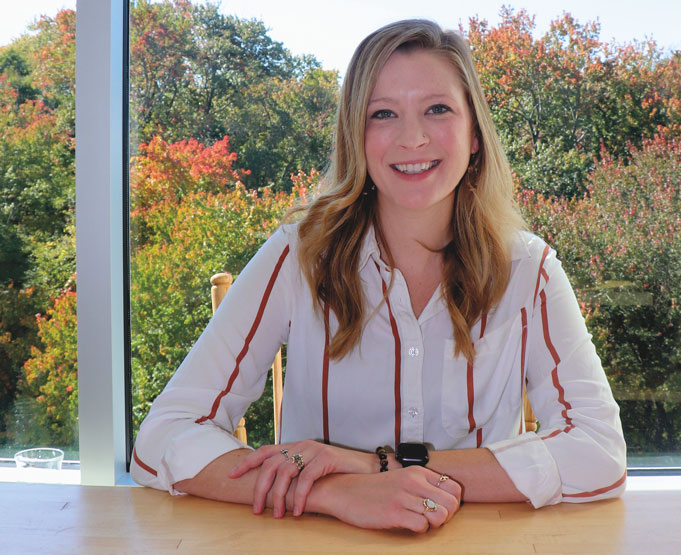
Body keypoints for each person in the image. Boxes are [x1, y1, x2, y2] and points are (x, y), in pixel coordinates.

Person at [131, 19, 626, 532]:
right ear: (355, 136)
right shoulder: (297, 255)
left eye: (437, 109)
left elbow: (600, 453)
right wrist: (338, 492)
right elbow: (163, 437)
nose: (412, 137)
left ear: (474, 134)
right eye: (383, 114)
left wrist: (378, 466)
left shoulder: (530, 269)